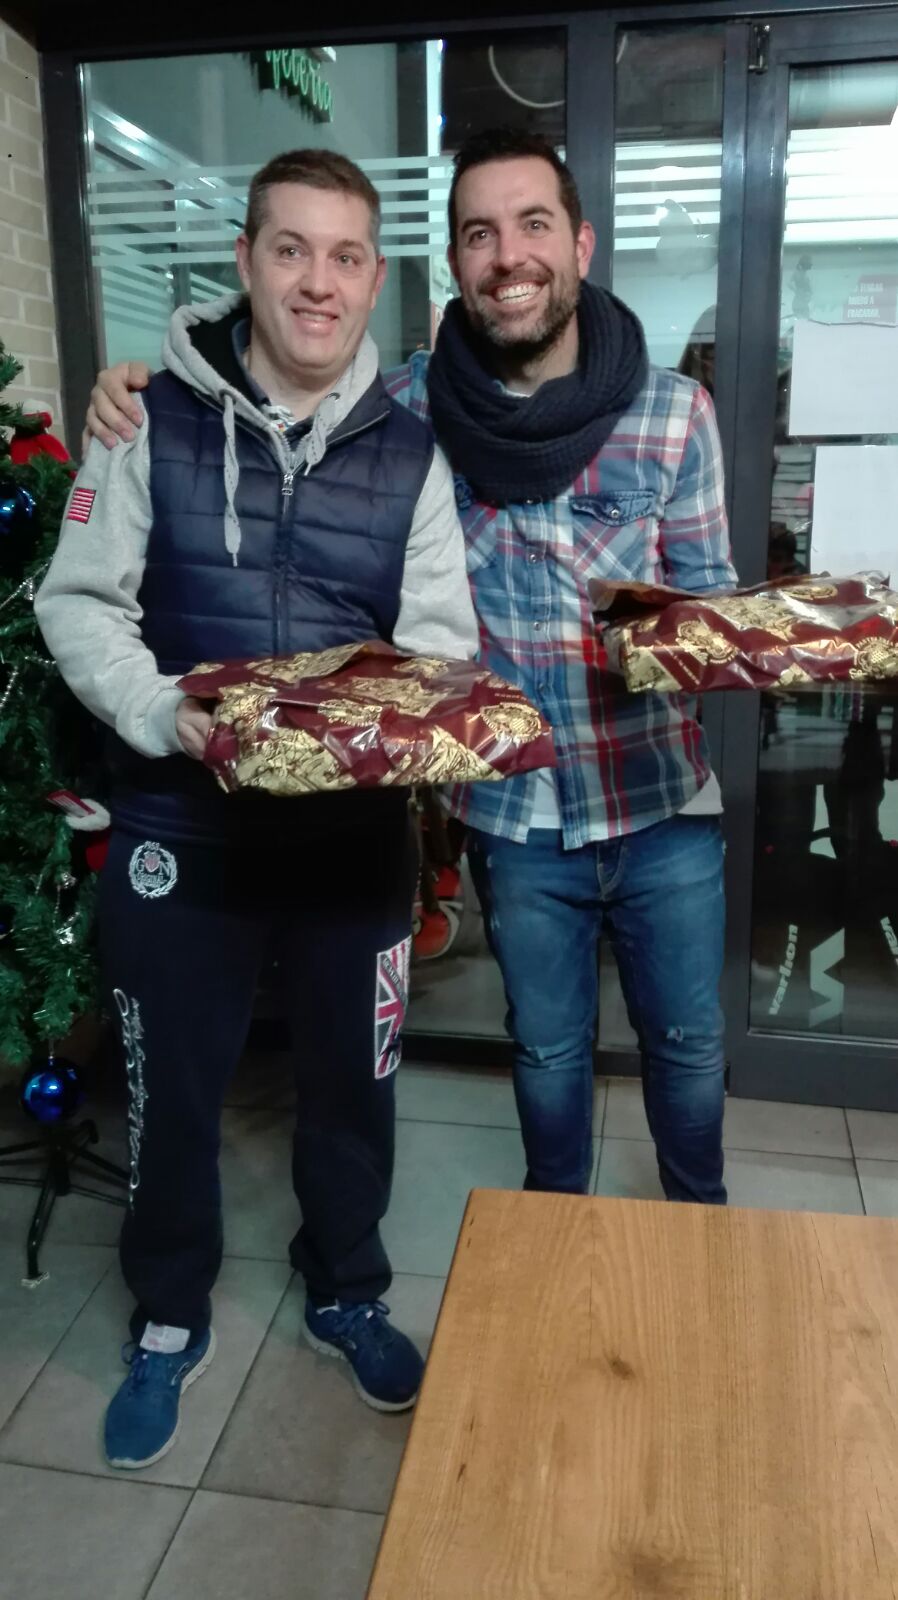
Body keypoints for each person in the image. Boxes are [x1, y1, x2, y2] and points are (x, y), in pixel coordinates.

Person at [86, 127, 737, 1211]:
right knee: (546, 1054)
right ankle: (549, 1251)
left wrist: (688, 639)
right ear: (454, 264)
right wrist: (142, 383)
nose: (508, 254)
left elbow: (709, 608)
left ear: (578, 245)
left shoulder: (674, 414)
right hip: (519, 820)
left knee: (688, 1049)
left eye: (533, 225)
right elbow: (286, 376)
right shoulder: (411, 414)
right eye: (479, 233)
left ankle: (704, 1242)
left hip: (661, 800)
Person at [37, 148, 478, 1471]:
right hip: (183, 834)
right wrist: (161, 712)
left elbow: (440, 645)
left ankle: (345, 1286)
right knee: (171, 1094)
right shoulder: (146, 421)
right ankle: (169, 1314)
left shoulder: (411, 456)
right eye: (291, 249)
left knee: (356, 1086)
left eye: (344, 257)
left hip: (352, 845)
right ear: (244, 261)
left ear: (375, 279)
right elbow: (77, 603)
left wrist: (398, 731)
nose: (317, 282)